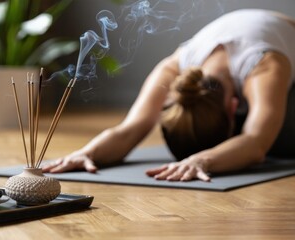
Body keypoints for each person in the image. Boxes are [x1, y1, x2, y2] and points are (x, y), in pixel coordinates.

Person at [43, 9, 295, 182]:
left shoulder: (265, 67)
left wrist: (202, 161)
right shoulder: (173, 68)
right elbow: (131, 128)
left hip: (285, 55)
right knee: (236, 150)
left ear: (233, 107)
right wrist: (87, 152)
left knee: (278, 140)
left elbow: (256, 143)